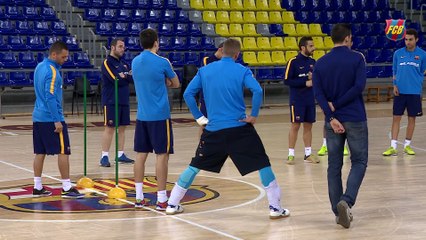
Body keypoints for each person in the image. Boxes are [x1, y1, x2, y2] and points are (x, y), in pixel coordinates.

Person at [165, 39, 290, 219]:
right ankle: (275, 208)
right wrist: (253, 115)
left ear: (221, 51)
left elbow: (187, 94)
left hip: (213, 130)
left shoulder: (205, 71)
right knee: (263, 164)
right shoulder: (242, 70)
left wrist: (199, 117)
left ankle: (172, 203)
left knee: (194, 166)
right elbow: (257, 91)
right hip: (240, 129)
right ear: (237, 54)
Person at [313, 23, 368, 228]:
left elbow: (318, 94)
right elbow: (359, 87)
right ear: (347, 39)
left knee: (334, 166)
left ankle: (338, 212)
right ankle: (347, 200)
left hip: (332, 121)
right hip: (354, 117)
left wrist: (330, 115)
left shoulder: (320, 63)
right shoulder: (357, 58)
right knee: (359, 161)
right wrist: (337, 105)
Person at [131, 29, 180, 210]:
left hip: (142, 114)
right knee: (162, 155)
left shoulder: (135, 62)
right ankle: (161, 199)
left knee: (140, 155)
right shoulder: (162, 62)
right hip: (159, 115)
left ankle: (138, 197)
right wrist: (165, 81)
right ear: (156, 42)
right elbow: (176, 83)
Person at [32, 41, 84, 198]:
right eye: (63, 57)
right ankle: (67, 187)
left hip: (38, 117)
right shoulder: (52, 71)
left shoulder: (39, 67)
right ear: (54, 55)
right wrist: (57, 120)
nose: (65, 59)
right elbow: (50, 97)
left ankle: (37, 186)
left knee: (40, 152)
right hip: (51, 118)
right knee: (63, 151)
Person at [382, 28, 426, 156]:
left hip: (414, 92)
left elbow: (423, 70)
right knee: (396, 118)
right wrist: (395, 85)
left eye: (410, 40)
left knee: (412, 118)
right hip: (400, 92)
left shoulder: (423, 55)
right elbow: (394, 70)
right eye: (406, 39)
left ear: (416, 39)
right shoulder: (398, 54)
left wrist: (416, 81)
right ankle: (393, 146)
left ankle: (407, 145)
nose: (408, 42)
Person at [99, 38, 135, 167]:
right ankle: (104, 156)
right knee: (110, 128)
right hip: (111, 101)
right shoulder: (107, 63)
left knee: (122, 128)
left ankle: (120, 154)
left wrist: (124, 76)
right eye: (120, 46)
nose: (122, 49)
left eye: (123, 47)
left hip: (123, 100)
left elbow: (131, 78)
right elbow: (116, 79)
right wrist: (123, 77)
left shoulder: (124, 64)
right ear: (112, 47)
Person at [284, 36, 319, 165]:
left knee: (309, 126)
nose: (313, 48)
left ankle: (308, 154)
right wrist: (305, 82)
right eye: (310, 46)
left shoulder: (313, 62)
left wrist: (314, 78)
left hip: (310, 99)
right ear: (302, 47)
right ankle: (291, 155)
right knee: (295, 125)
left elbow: (316, 80)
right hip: (297, 100)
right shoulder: (292, 62)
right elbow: (287, 81)